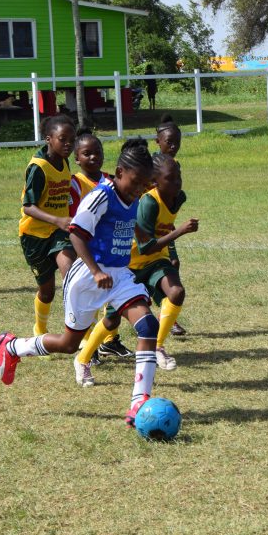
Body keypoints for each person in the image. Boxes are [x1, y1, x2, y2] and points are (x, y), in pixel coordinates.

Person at [0, 139, 160, 426]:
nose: (140, 190)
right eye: (136, 182)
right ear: (120, 172)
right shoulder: (100, 196)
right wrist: (96, 271)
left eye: (145, 185)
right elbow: (75, 234)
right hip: (87, 275)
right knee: (69, 343)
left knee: (148, 325)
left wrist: (143, 234)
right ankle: (12, 347)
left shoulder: (133, 196)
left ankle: (138, 403)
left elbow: (127, 218)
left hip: (119, 274)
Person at [75, 152, 198, 385]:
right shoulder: (147, 202)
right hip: (130, 265)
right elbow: (146, 245)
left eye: (178, 177)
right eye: (170, 178)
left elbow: (163, 230)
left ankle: (158, 346)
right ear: (155, 180)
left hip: (155, 260)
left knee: (176, 292)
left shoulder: (177, 197)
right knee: (111, 322)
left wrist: (172, 254)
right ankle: (82, 359)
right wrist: (179, 232)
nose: (177, 183)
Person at [71, 128, 135, 362]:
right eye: (87, 154)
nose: (93, 157)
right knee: (91, 299)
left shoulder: (111, 180)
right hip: (85, 246)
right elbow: (75, 218)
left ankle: (109, 341)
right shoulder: (75, 183)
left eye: (97, 152)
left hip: (109, 247)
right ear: (77, 158)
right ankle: (88, 344)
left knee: (114, 297)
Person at [18, 115, 77, 342]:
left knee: (70, 274)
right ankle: (39, 330)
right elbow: (29, 207)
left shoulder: (64, 161)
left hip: (59, 232)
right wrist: (57, 219)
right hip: (34, 236)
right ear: (49, 139)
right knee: (47, 291)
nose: (68, 145)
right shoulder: (38, 168)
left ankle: (77, 331)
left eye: (72, 140)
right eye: (63, 139)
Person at [154, 114, 189, 338]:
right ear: (158, 142)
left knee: (173, 263)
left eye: (177, 142)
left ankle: (169, 318)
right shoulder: (152, 165)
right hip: (147, 228)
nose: (173, 146)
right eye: (169, 142)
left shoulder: (175, 164)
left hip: (165, 225)